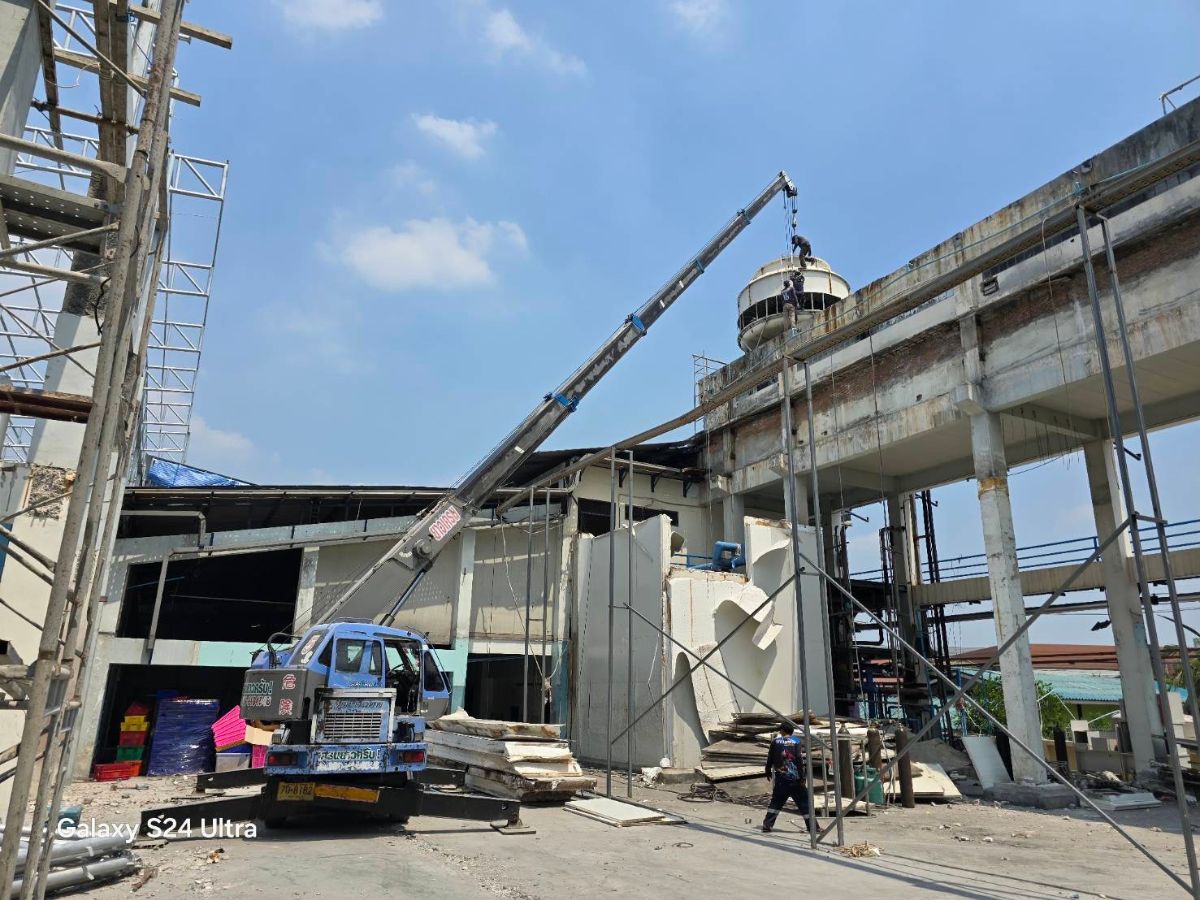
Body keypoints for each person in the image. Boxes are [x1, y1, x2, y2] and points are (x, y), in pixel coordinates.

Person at [761, 721, 810, 833]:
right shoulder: (796, 741)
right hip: (795, 780)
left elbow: (770, 758)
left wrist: (767, 770)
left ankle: (767, 825)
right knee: (804, 803)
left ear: (782, 730)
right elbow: (799, 759)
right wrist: (802, 776)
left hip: (781, 779)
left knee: (776, 802)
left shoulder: (775, 742)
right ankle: (813, 827)